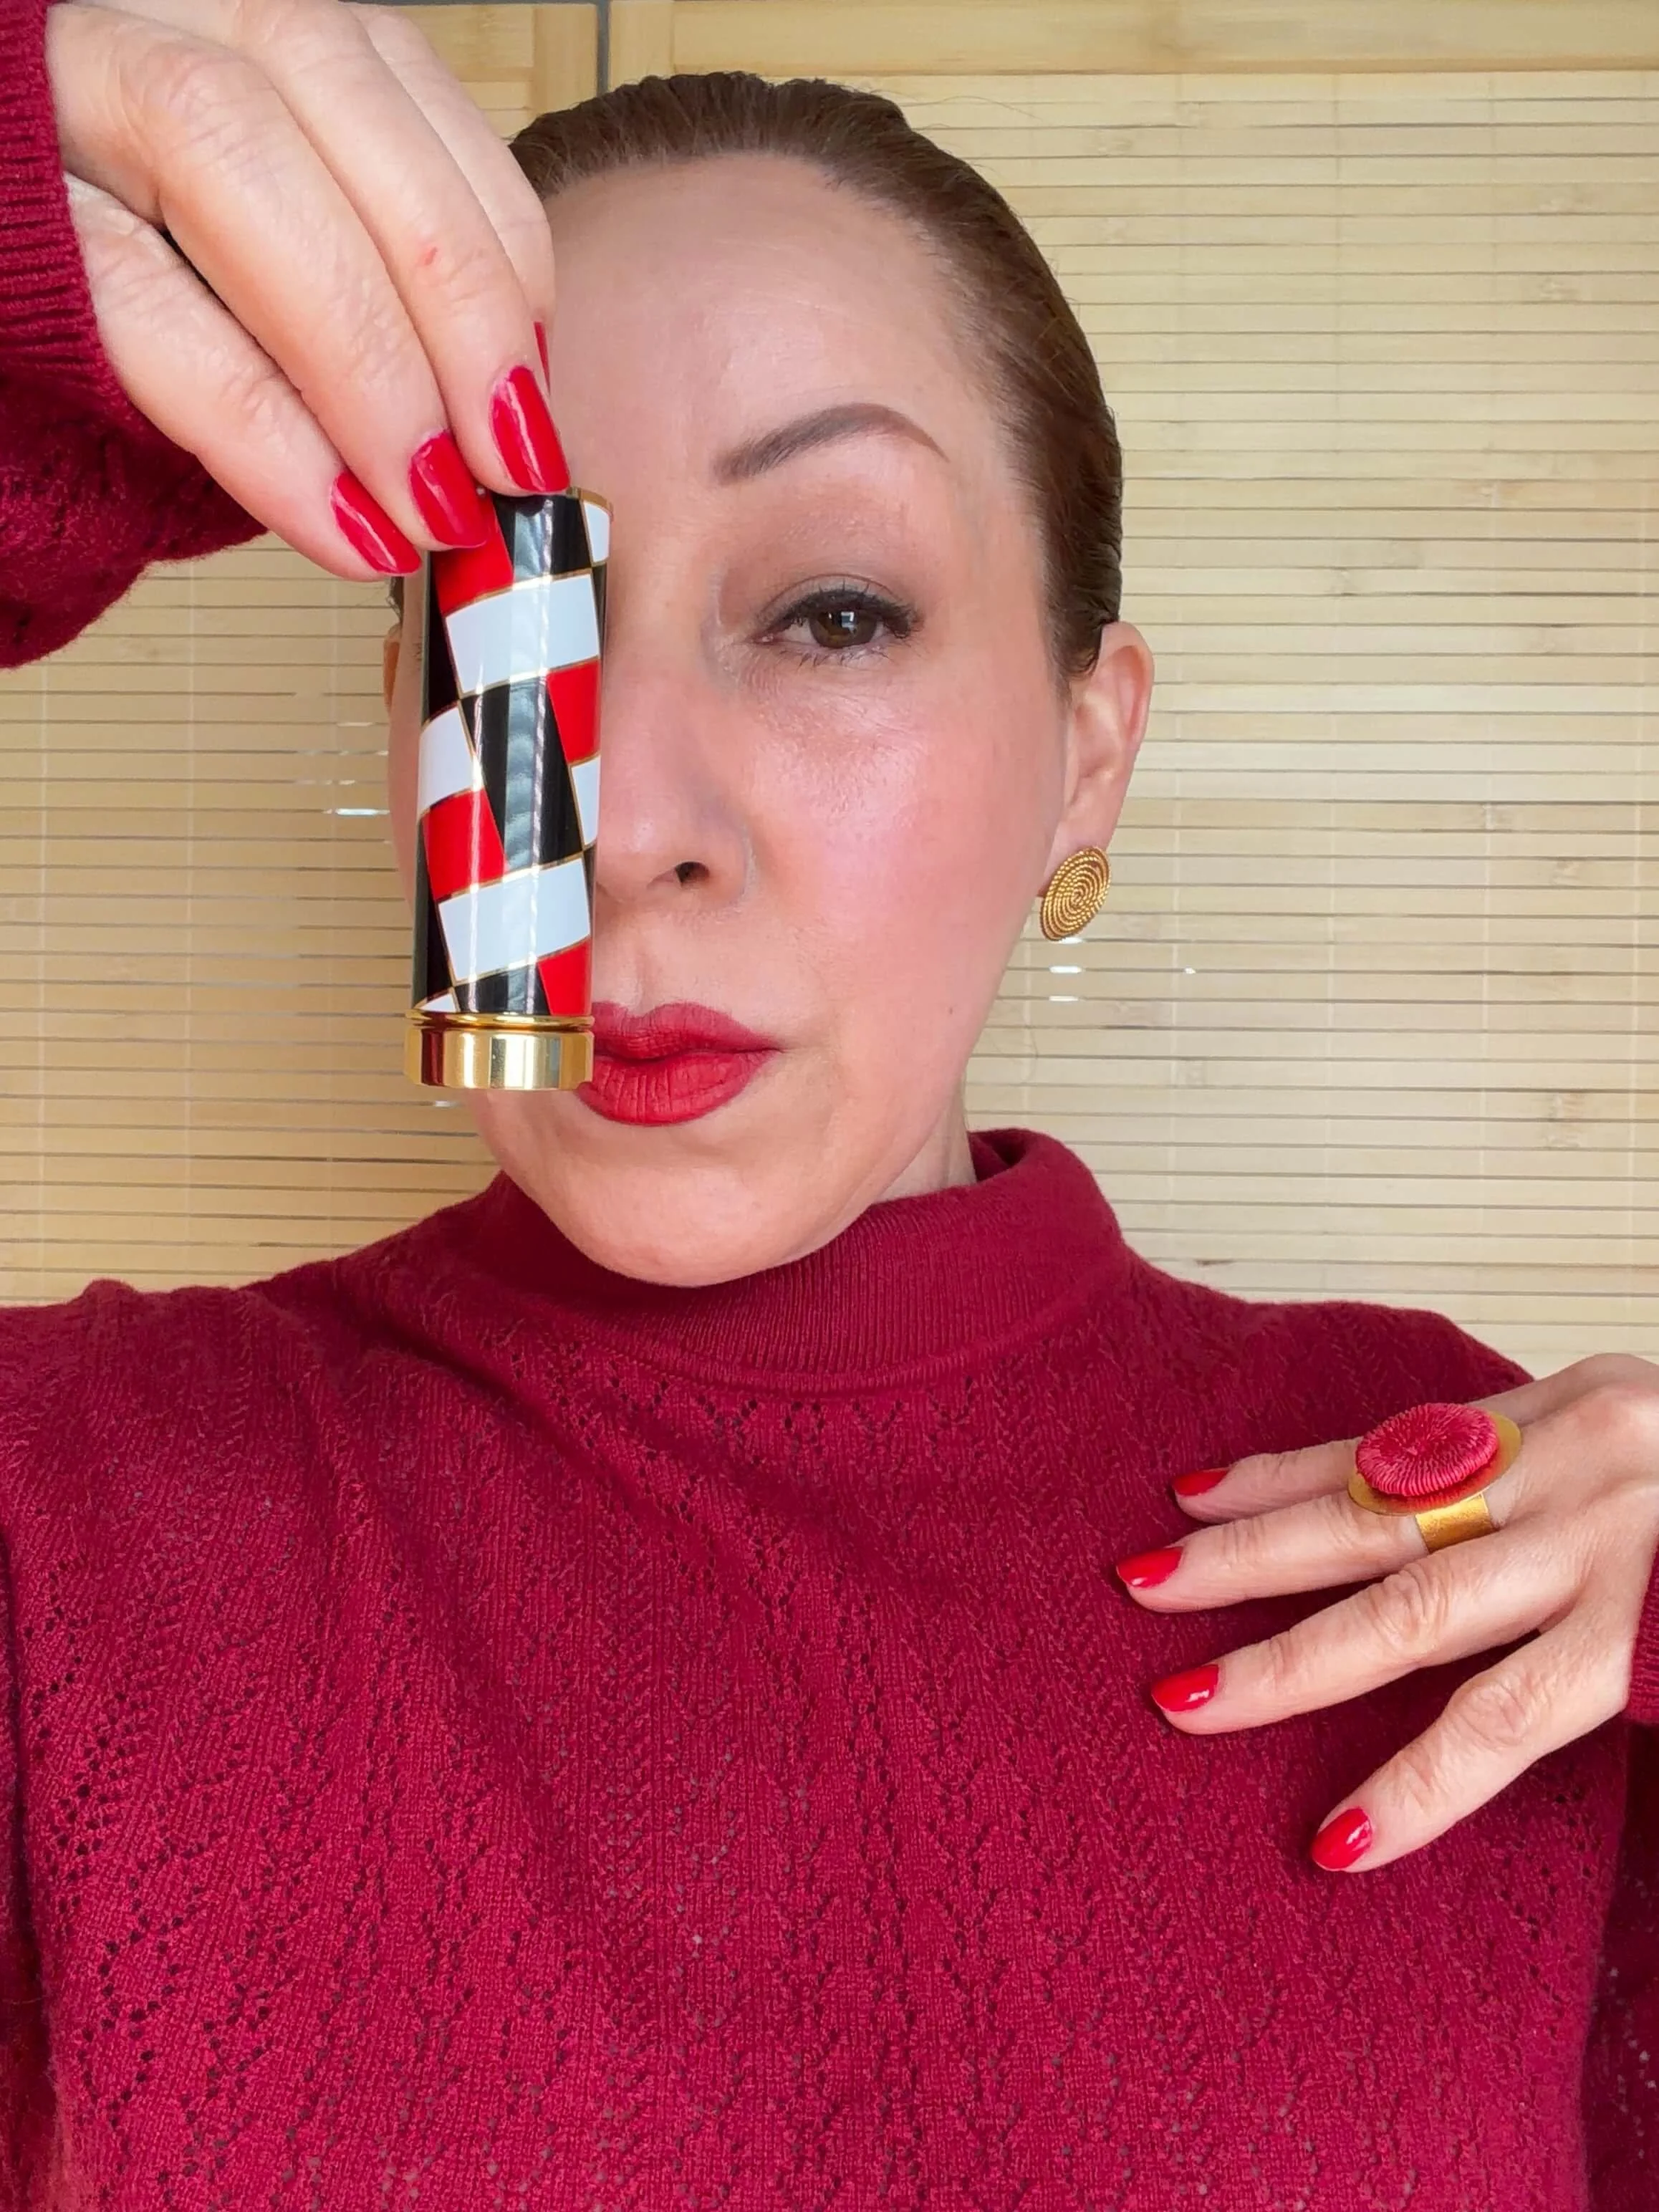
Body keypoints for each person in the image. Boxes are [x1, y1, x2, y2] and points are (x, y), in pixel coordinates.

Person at [3, 1, 1658, 2202]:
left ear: (1088, 744)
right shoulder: (76, 1522)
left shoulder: (1480, 1565)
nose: (625, 824)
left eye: (831, 612)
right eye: (511, 630)